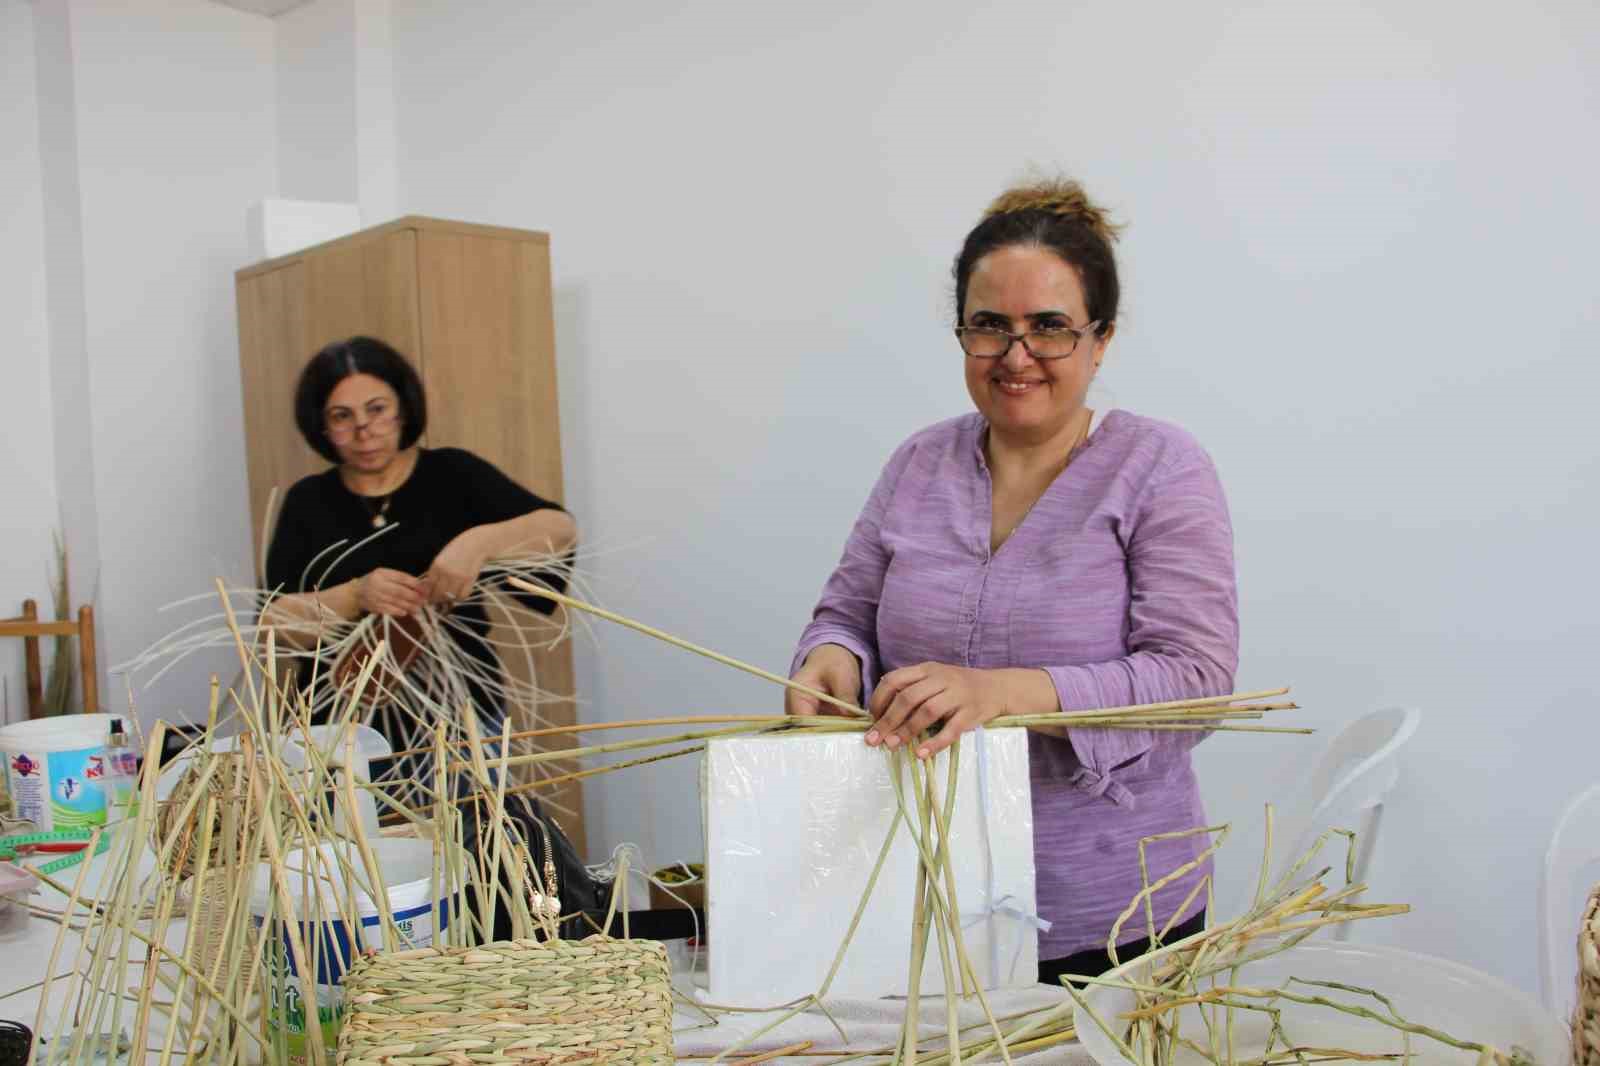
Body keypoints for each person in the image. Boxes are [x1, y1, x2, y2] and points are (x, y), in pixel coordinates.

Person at [786, 179, 1238, 987]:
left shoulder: (1162, 469)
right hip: (922, 890)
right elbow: (846, 611)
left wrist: (1003, 692)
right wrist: (832, 657)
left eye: (1050, 329)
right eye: (990, 326)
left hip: (1115, 914)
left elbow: (1196, 683)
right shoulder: (919, 462)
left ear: (1100, 341)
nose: (1016, 355)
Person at [262, 335, 578, 744]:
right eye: (342, 416)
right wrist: (356, 596)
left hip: (459, 717)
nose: (364, 431)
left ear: (403, 409)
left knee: (476, 810)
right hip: (339, 728)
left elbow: (559, 528)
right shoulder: (307, 500)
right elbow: (272, 627)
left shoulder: (454, 474)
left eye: (377, 410)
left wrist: (480, 543)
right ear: (321, 425)